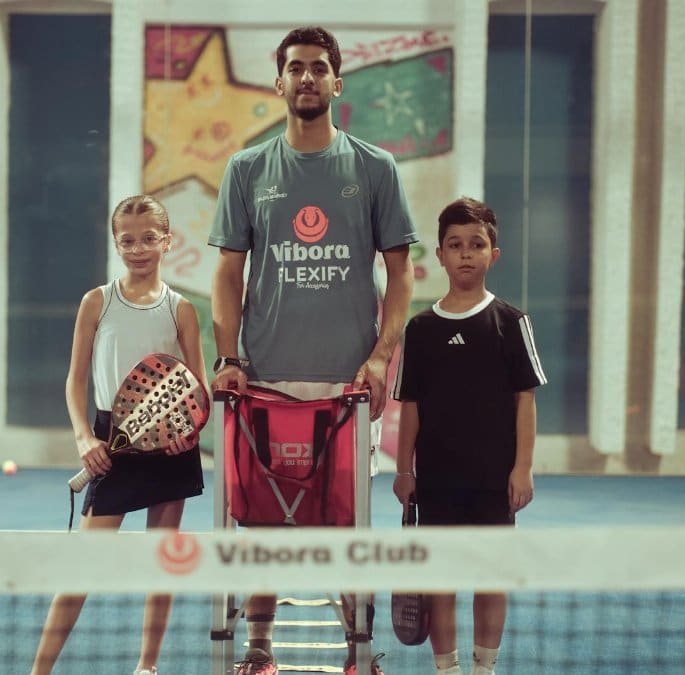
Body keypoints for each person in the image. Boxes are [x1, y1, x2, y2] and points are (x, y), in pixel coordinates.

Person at [208, 25, 417, 675]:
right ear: (279, 81)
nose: (306, 77)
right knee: (262, 527)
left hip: (347, 384)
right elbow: (227, 273)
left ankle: (360, 648)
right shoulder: (246, 169)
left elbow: (403, 271)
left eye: (318, 67)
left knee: (348, 525)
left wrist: (381, 356)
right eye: (294, 67)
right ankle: (258, 646)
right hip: (266, 379)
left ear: (336, 82)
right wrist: (229, 357)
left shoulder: (376, 169)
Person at [31, 195, 206, 675]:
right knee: (83, 568)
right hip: (111, 442)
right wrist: (85, 437)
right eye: (127, 240)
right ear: (116, 244)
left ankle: (146, 668)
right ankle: (39, 671)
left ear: (167, 241)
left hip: (172, 447)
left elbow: (197, 389)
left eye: (149, 238)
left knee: (161, 563)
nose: (138, 248)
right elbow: (75, 381)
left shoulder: (181, 309)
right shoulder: (97, 302)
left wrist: (185, 432)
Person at [391, 197, 546, 675]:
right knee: (441, 580)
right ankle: (448, 670)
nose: (465, 254)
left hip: (493, 481)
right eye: (454, 245)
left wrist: (522, 467)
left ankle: (484, 669)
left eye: (476, 245)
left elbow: (526, 399)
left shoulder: (511, 322)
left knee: (489, 578)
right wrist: (403, 469)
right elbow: (410, 405)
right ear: (438, 254)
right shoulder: (419, 328)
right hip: (437, 481)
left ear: (493, 254)